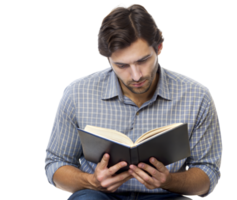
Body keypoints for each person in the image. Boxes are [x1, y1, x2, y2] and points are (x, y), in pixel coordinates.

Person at [44, 3, 222, 200]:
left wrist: (169, 180)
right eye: (122, 65)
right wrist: (92, 181)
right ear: (108, 60)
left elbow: (207, 172)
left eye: (143, 60)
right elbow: (56, 163)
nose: (136, 75)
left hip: (164, 195)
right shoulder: (77, 94)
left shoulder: (197, 98)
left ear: (159, 49)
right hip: (98, 195)